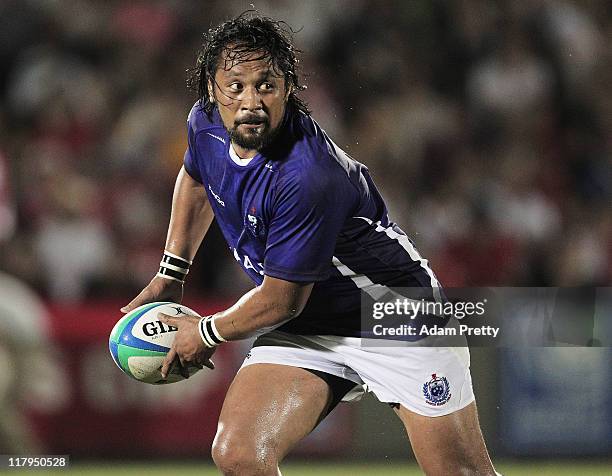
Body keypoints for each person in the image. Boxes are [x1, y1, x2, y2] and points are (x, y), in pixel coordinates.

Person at [122, 13, 499, 476]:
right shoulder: (204, 124)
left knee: (460, 474)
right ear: (211, 89)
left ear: (289, 87)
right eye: (234, 86)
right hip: (311, 325)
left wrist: (206, 333)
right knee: (239, 454)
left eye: (266, 85)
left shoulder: (308, 175)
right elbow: (197, 179)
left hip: (395, 315)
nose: (250, 102)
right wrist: (171, 272)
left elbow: (281, 300)